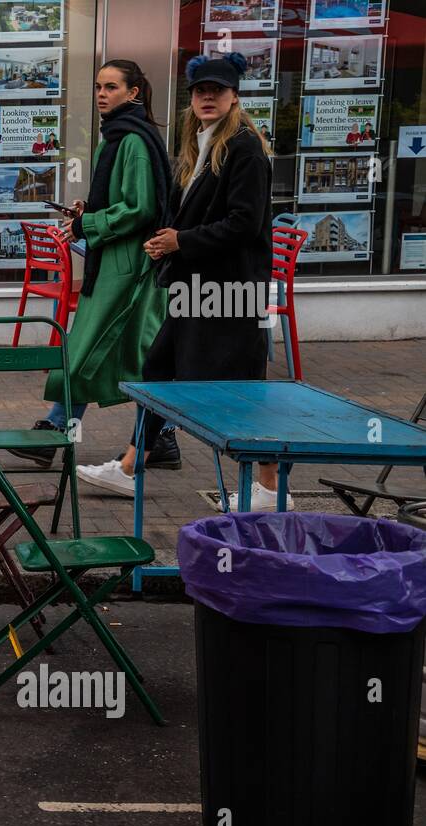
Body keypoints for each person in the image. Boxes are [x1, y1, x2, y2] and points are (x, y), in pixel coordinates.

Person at [77, 52, 290, 509]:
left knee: (236, 389)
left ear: (234, 97)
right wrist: (165, 242)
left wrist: (181, 242)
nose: (207, 97)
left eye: (217, 90)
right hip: (197, 286)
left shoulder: (246, 148)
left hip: (232, 291)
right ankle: (131, 467)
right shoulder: (203, 144)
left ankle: (271, 486)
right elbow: (189, 214)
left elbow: (245, 224)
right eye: (199, 91)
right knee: (159, 371)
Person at [11, 60, 174, 470]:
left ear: (134, 92)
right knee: (125, 356)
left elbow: (141, 208)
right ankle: (160, 438)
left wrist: (89, 222)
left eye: (112, 87)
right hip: (116, 262)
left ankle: (59, 431)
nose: (102, 94)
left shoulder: (132, 141)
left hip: (129, 266)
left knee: (92, 352)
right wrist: (90, 210)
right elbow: (122, 200)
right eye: (99, 86)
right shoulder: (117, 138)